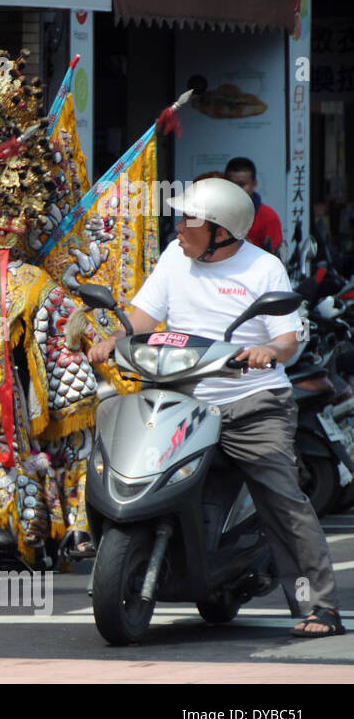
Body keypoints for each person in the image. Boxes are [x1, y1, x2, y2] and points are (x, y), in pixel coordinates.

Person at [88, 177, 343, 638]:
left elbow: (286, 337)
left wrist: (270, 351)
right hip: (183, 398)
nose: (180, 228)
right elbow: (143, 316)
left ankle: (318, 605)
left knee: (281, 500)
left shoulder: (263, 269)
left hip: (251, 403)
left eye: (190, 220)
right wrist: (114, 339)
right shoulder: (173, 257)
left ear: (221, 230)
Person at [225, 156, 285, 254]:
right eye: (231, 184)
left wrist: (248, 248)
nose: (236, 190)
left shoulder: (268, 217)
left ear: (254, 184)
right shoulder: (213, 214)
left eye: (242, 184)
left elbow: (276, 258)